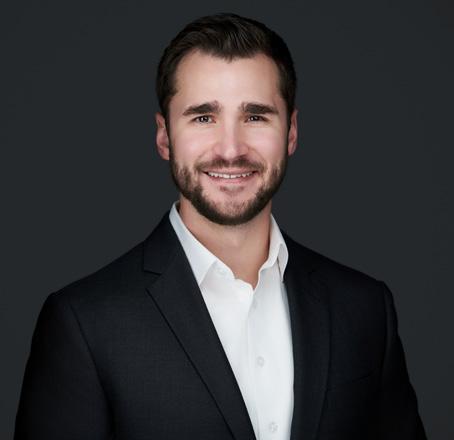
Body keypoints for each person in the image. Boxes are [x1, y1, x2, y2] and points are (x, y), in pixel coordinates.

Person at [14, 12, 426, 440]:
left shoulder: (364, 308)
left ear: (291, 132)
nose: (231, 150)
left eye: (256, 117)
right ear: (164, 136)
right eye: (203, 118)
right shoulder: (84, 323)